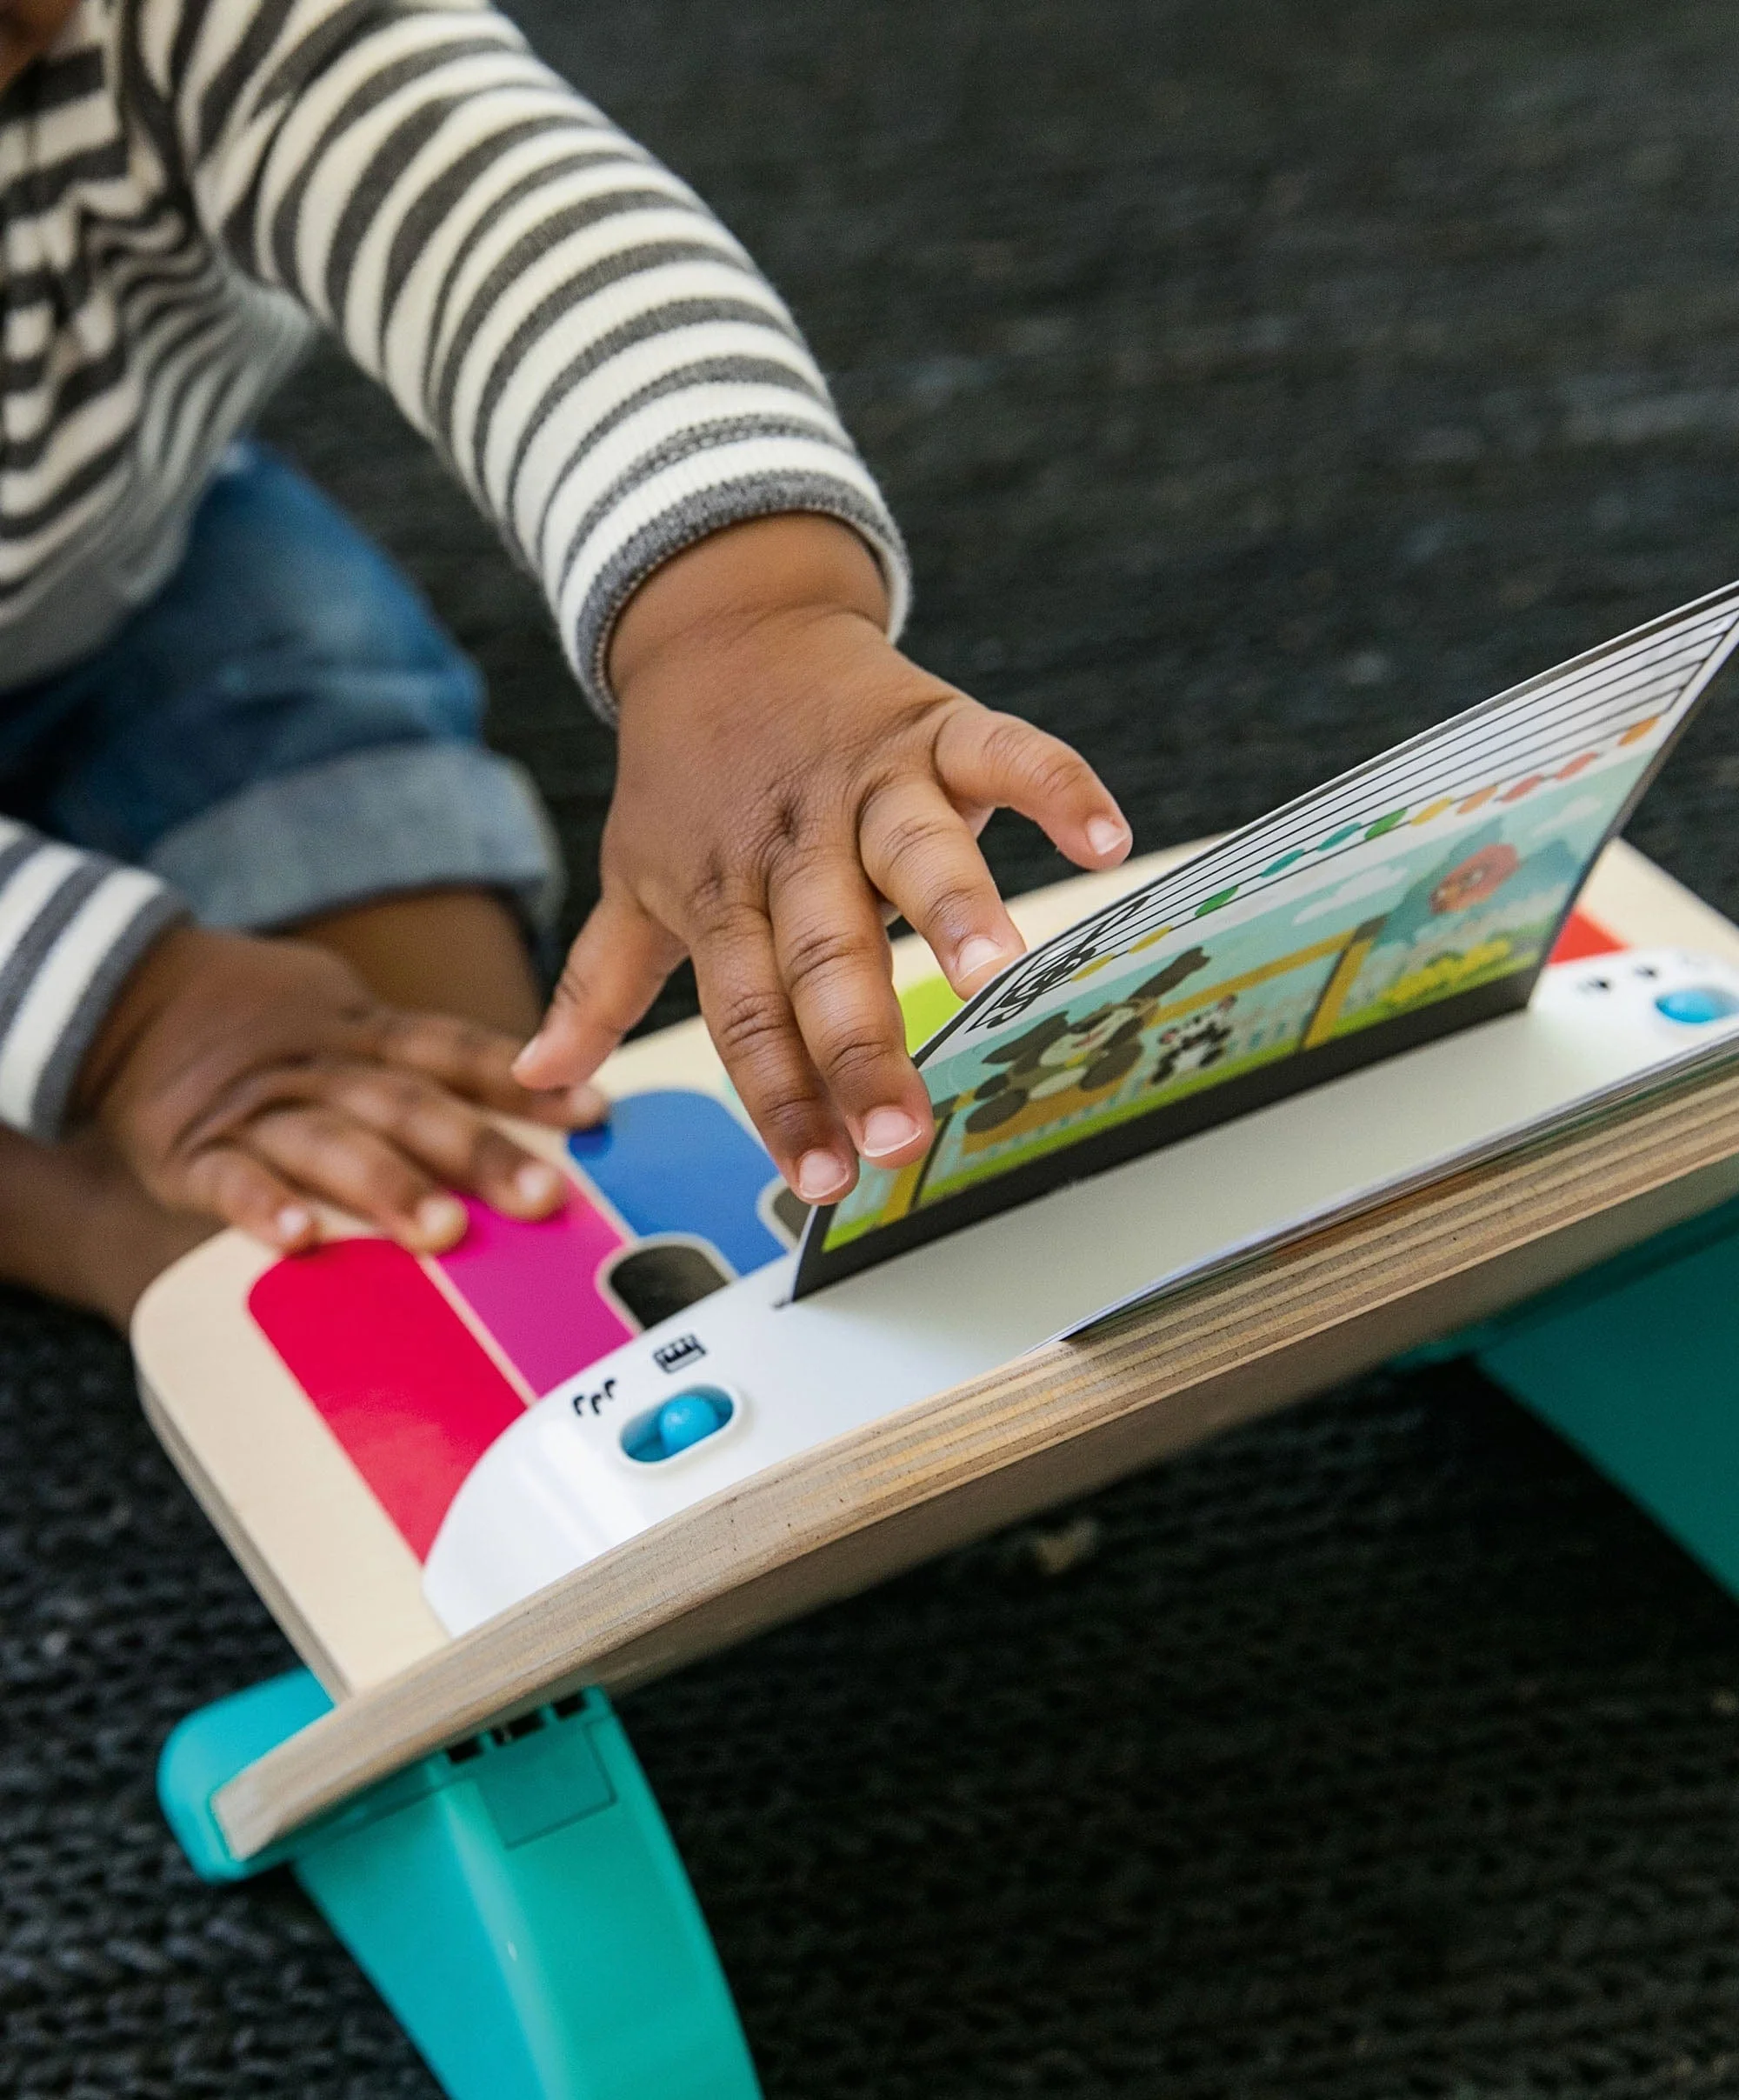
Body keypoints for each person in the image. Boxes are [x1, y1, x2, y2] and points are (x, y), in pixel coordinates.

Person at [0, 0, 1131, 1327]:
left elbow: (505, 218)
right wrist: (134, 1012)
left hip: (137, 565)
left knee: (456, 1135)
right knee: (256, 1249)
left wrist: (736, 626)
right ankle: (68, 1211)